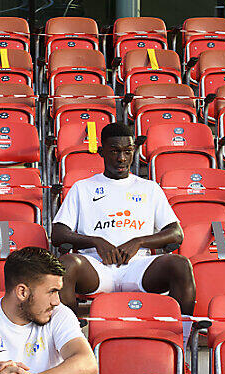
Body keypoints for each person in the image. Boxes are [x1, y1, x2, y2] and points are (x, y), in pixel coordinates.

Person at [51, 122, 196, 316]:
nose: (121, 158)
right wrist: (96, 241)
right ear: (101, 152)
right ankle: (72, 338)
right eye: (114, 151)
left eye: (128, 151)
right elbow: (58, 234)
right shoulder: (82, 187)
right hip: (96, 266)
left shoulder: (149, 188)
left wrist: (139, 241)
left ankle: (182, 340)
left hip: (139, 266)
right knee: (66, 265)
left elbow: (176, 233)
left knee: (181, 265)